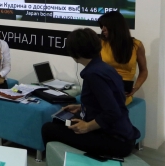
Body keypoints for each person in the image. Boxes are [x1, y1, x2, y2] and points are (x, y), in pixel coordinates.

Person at [41, 28, 140, 158]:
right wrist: (82, 106)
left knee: (48, 129)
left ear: (75, 53)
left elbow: (112, 112)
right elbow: (112, 101)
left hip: (115, 140)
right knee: (59, 121)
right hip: (123, 134)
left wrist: (87, 126)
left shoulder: (93, 75)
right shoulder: (104, 68)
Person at [98, 11, 148, 105]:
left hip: (123, 91)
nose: (103, 29)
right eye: (102, 26)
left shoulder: (136, 45)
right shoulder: (101, 43)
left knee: (111, 103)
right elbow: (96, 67)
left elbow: (144, 71)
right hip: (105, 84)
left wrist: (135, 88)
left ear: (115, 27)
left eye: (105, 26)